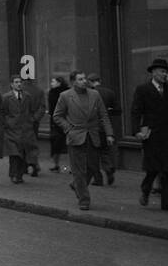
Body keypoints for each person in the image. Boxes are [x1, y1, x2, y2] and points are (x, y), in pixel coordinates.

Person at [53, 70, 114, 211]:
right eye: (80, 79)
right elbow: (57, 116)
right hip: (76, 136)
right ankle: (84, 199)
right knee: (78, 170)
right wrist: (69, 129)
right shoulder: (65, 96)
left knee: (93, 167)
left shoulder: (95, 94)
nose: (84, 81)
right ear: (73, 81)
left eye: (85, 78)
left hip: (93, 135)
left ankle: (76, 185)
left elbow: (103, 115)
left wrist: (109, 134)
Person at [131, 58, 168, 210]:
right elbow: (136, 111)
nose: (164, 74)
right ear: (153, 72)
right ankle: (145, 190)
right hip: (152, 134)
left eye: (166, 72)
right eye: (162, 71)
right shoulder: (143, 89)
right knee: (153, 168)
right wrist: (137, 131)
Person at [1, 75, 36, 184]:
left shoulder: (27, 96)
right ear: (12, 84)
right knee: (14, 153)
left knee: (22, 153)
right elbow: (2, 112)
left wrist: (30, 121)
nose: (19, 84)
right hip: (12, 129)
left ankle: (20, 174)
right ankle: (13, 174)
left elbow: (31, 110)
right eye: (16, 82)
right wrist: (7, 123)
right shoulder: (6, 97)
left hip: (24, 129)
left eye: (20, 82)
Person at [87, 73, 121, 186]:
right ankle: (108, 168)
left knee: (93, 153)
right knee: (104, 150)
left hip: (93, 126)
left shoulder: (90, 93)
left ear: (90, 82)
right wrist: (108, 111)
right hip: (106, 127)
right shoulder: (109, 92)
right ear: (99, 80)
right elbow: (118, 110)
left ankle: (98, 178)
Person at [21, 76, 47, 176]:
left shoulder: (20, 90)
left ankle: (25, 166)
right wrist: (35, 118)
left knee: (22, 144)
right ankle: (33, 163)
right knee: (33, 143)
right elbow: (42, 107)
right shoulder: (39, 91)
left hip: (22, 121)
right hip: (33, 122)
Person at [46, 76, 69, 172]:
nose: (51, 83)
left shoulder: (55, 93)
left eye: (53, 81)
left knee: (58, 144)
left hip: (59, 121)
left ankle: (58, 165)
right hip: (64, 120)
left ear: (59, 82)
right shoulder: (66, 92)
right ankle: (66, 166)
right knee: (64, 144)